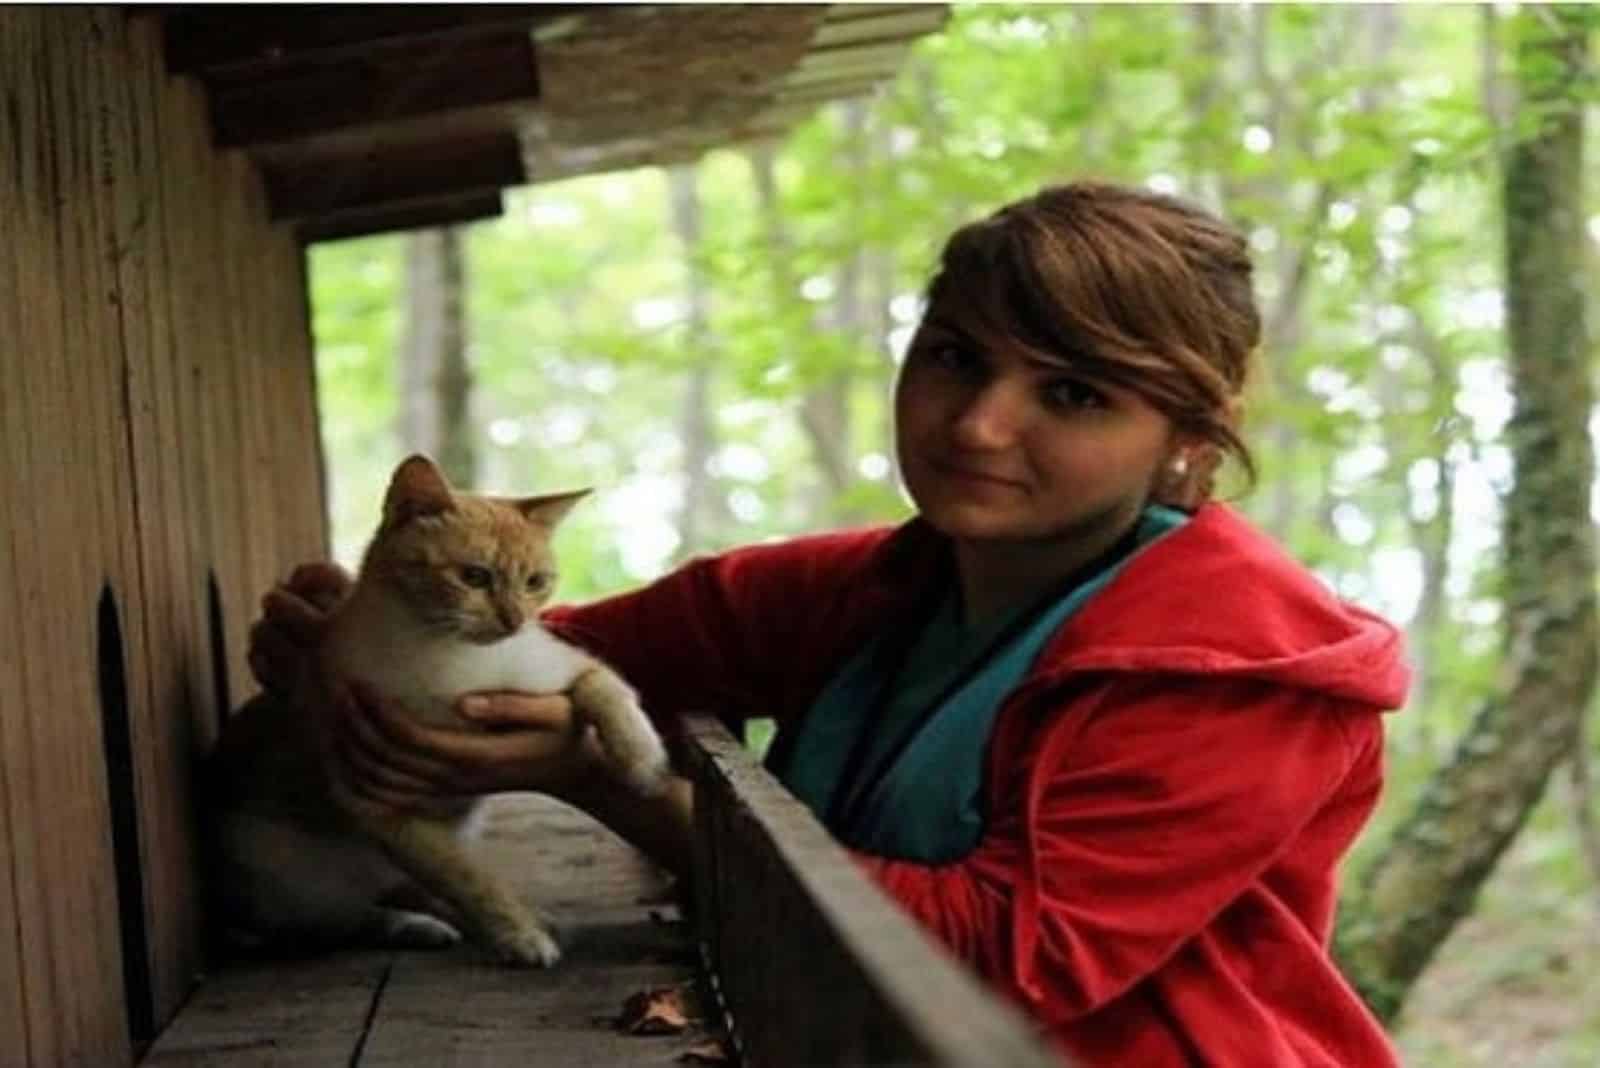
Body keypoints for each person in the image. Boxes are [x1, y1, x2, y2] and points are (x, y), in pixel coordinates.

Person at [249, 180, 1409, 1066]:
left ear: (1187, 440)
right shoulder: (873, 590)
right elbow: (561, 651)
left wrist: (607, 785)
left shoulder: (1239, 672)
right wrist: (356, 645)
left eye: (1071, 393)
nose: (978, 427)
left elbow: (1009, 960)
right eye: (955, 357)